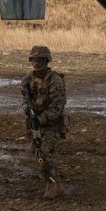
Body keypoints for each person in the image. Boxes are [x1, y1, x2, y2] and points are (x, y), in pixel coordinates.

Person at [20, 45, 67, 199]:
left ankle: (52, 182)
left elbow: (56, 108)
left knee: (44, 153)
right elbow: (24, 100)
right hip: (35, 123)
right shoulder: (28, 79)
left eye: (40, 60)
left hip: (51, 125)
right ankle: (55, 182)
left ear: (46, 61)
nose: (36, 63)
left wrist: (39, 119)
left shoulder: (55, 81)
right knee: (37, 153)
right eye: (34, 60)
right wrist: (27, 109)